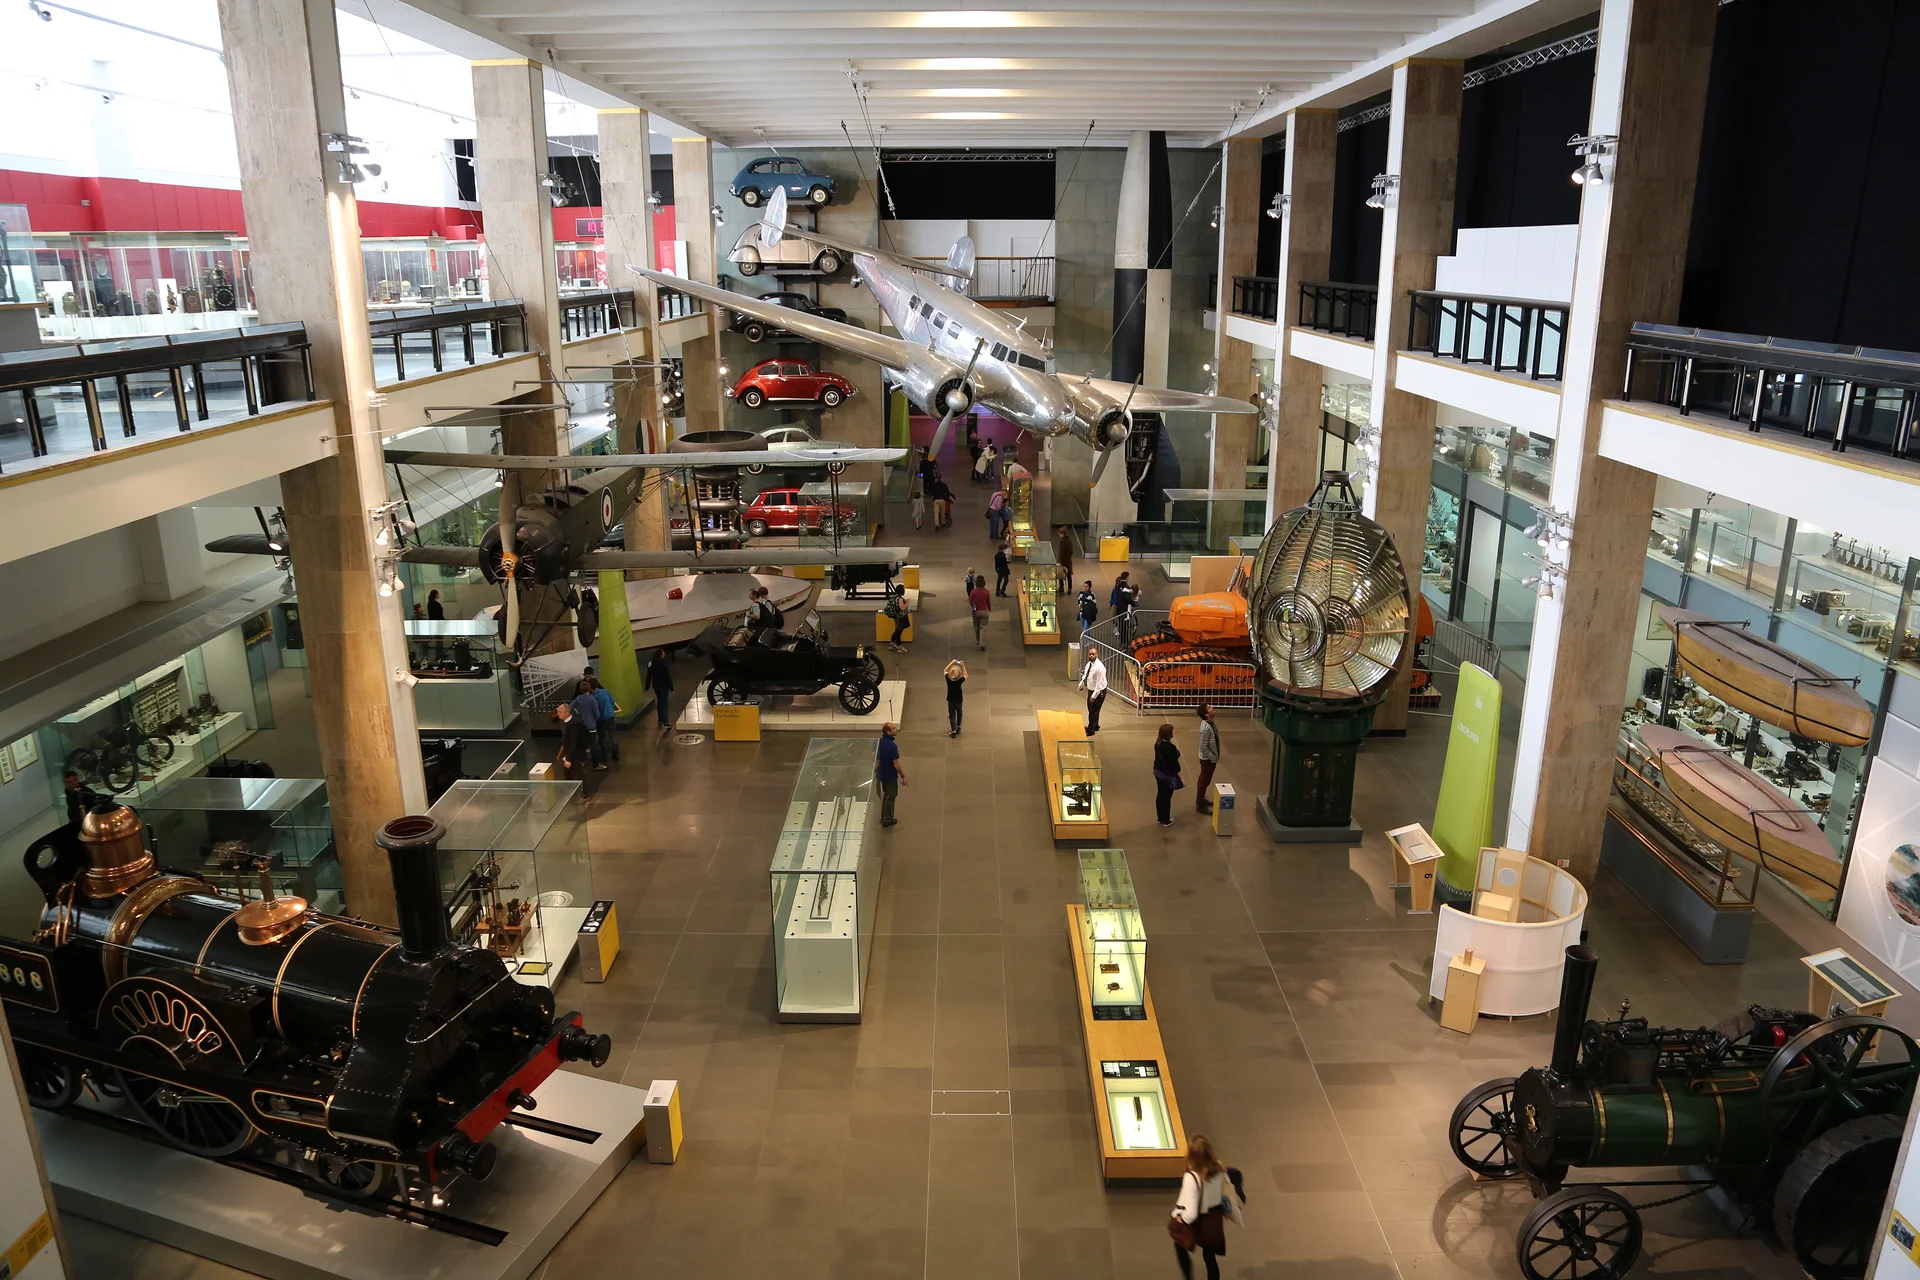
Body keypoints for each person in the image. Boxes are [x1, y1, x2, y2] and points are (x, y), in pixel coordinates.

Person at [1170, 1134, 1242, 1280]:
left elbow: (1191, 1213)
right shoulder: (1219, 1169)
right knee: (1210, 1258)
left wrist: (1179, 1219)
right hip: (1214, 1223)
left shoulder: (1192, 1177)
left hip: (1199, 1225)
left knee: (1180, 1246)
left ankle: (1188, 1277)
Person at [554, 702, 594, 800]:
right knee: (567, 773)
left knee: (578, 774)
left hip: (575, 753)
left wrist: (568, 759)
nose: (558, 713)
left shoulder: (573, 726)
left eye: (560, 712)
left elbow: (573, 743)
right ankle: (571, 791)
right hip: (570, 752)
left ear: (567, 713)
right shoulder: (567, 723)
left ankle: (585, 795)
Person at [569, 679, 605, 770]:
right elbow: (596, 714)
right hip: (591, 726)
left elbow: (570, 708)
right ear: (589, 689)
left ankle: (583, 761)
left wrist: (578, 717)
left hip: (582, 726)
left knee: (583, 745)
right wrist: (593, 720)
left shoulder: (578, 699)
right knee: (594, 746)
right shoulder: (592, 700)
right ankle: (596, 765)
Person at [875, 722, 906, 826]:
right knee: (891, 796)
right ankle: (888, 819)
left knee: (886, 794)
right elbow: (896, 764)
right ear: (888, 732)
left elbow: (876, 759)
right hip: (890, 775)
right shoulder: (892, 746)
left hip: (882, 774)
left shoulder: (879, 742)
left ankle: (884, 816)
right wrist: (902, 775)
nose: (896, 729)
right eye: (893, 728)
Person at [1153, 722, 1183, 827]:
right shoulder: (1170, 747)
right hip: (1166, 775)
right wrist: (1181, 777)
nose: (1174, 732)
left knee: (1160, 794)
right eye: (1173, 730)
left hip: (1157, 772)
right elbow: (1174, 764)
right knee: (1166, 797)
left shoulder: (1157, 744)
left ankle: (1160, 817)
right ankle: (1166, 819)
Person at [589, 673, 620, 765]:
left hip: (601, 719)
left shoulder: (592, 697)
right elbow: (613, 701)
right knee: (613, 735)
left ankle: (605, 756)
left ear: (590, 688)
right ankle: (616, 754)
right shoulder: (605, 691)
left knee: (602, 738)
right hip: (610, 716)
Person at [1195, 704, 1219, 814]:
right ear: (1206, 714)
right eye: (1209, 707)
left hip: (1210, 758)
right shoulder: (1205, 728)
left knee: (1204, 779)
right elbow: (1203, 747)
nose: (1212, 707)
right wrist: (1213, 758)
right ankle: (1200, 803)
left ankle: (1200, 798)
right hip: (1207, 759)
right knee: (1204, 781)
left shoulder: (1211, 723)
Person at [1079, 647, 1108, 735]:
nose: (1091, 655)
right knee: (1092, 709)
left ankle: (1091, 730)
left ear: (1097, 655)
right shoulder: (1089, 664)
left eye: (1093, 654)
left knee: (1093, 711)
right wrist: (1083, 685)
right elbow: (1087, 676)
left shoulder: (1100, 668)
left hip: (1099, 692)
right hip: (1091, 689)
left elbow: (1099, 684)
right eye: (1090, 654)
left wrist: (1093, 696)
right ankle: (1095, 725)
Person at [645, 647, 675, 729]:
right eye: (663, 652)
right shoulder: (663, 663)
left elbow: (648, 675)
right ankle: (666, 722)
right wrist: (672, 688)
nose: (664, 653)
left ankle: (660, 719)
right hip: (663, 686)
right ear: (661, 654)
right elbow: (667, 677)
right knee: (664, 703)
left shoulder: (651, 662)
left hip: (655, 686)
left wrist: (647, 686)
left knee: (659, 701)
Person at [883, 583, 911, 653]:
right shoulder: (900, 599)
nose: (904, 590)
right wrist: (907, 602)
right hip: (900, 617)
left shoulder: (894, 597)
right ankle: (900, 647)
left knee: (896, 631)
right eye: (904, 589)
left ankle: (892, 644)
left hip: (896, 617)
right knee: (898, 632)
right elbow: (902, 608)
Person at [944, 659, 967, 736]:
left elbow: (945, 670)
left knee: (952, 715)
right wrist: (963, 666)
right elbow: (966, 675)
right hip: (959, 700)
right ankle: (958, 726)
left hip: (951, 700)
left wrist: (951, 662)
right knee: (959, 713)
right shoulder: (959, 681)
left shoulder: (948, 680)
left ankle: (953, 731)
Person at [968, 577, 992, 650]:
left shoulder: (973, 591)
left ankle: (978, 640)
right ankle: (982, 643)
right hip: (984, 611)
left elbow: (970, 601)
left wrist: (974, 607)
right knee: (983, 627)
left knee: (976, 626)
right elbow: (988, 602)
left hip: (976, 611)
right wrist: (989, 609)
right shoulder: (987, 592)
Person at [1057, 527, 1075, 596]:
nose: (1059, 535)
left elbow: (1061, 552)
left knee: (1060, 573)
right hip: (1068, 560)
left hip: (1063, 560)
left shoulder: (1062, 541)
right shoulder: (1069, 540)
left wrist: (1059, 561)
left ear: (1062, 534)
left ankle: (1061, 587)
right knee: (1069, 575)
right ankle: (1069, 588)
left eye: (1059, 533)